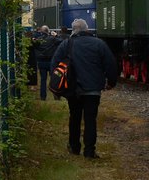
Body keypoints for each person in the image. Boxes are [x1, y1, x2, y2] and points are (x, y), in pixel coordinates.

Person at [51, 18, 118, 158]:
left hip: (72, 89)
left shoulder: (66, 44)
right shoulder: (99, 44)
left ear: (73, 30)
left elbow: (55, 64)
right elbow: (111, 64)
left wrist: (56, 86)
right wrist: (111, 82)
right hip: (93, 89)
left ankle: (74, 147)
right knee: (90, 119)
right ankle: (89, 151)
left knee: (74, 118)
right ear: (87, 29)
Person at [32, 26, 61, 101]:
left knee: (43, 80)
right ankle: (56, 95)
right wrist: (56, 35)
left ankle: (43, 97)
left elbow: (34, 46)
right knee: (54, 79)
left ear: (41, 31)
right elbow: (62, 41)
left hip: (41, 61)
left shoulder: (39, 40)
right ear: (48, 31)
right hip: (51, 61)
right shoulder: (53, 39)